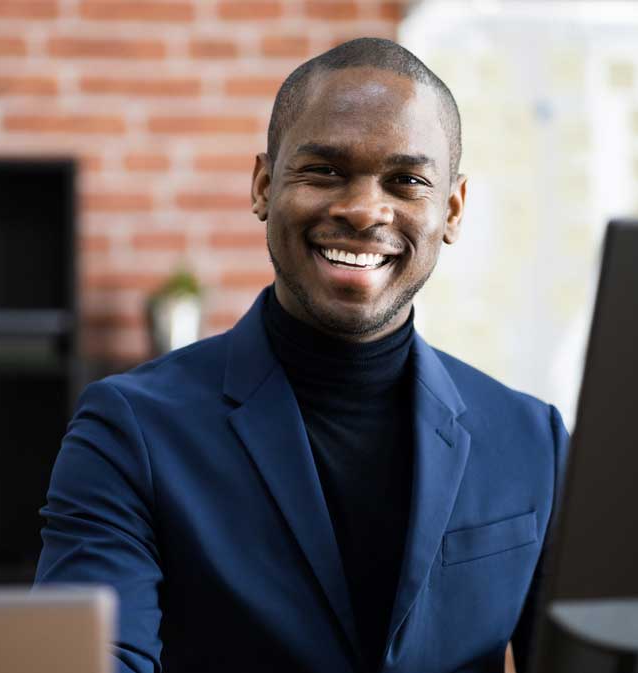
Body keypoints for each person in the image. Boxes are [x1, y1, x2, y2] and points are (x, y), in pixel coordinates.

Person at [35, 38, 568, 673]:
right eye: (324, 171)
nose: (364, 210)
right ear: (263, 186)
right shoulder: (129, 431)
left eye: (407, 181)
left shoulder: (532, 440)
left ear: (450, 209)